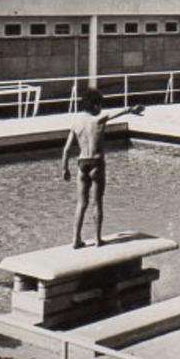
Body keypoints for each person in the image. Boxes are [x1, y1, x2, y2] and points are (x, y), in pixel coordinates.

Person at [60, 88, 145, 248]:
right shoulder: (98, 119)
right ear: (96, 105)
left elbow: (66, 149)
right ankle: (98, 239)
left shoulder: (76, 122)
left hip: (82, 163)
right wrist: (132, 109)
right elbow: (119, 112)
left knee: (81, 203)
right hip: (96, 163)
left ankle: (75, 239)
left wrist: (65, 168)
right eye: (100, 104)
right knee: (97, 202)